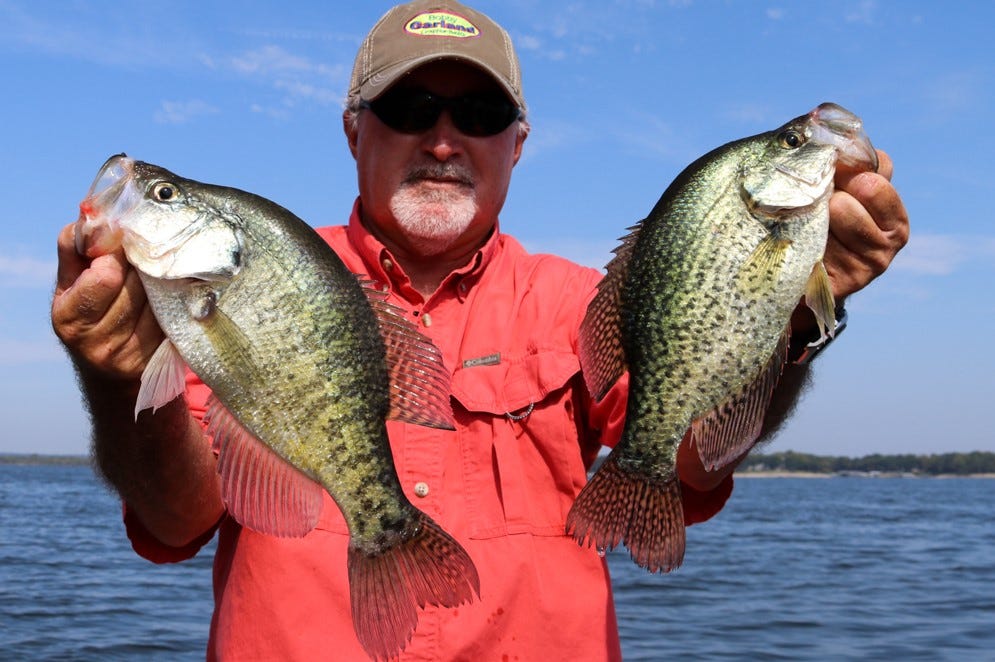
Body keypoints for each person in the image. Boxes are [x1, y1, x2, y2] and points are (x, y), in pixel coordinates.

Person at [51, 1, 909, 660]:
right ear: (354, 131)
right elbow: (176, 519)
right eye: (410, 105)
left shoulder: (580, 301)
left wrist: (790, 322)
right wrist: (118, 376)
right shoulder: (258, 279)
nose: (442, 139)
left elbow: (687, 472)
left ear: (518, 145)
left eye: (479, 116)